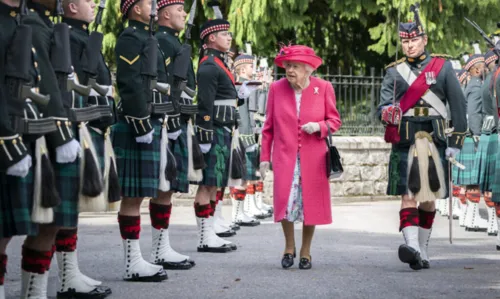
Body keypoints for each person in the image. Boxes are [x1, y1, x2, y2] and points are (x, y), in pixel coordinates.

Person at [378, 6, 467, 271]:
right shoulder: (394, 72)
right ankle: (413, 248)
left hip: (434, 140)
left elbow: (458, 107)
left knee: (429, 199)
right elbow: (382, 107)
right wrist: (387, 112)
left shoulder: (443, 68)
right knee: (408, 195)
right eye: (405, 41)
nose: (409, 46)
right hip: (405, 140)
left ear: (424, 40)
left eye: (414, 40)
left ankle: (423, 248)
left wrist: (455, 145)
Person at [260, 44, 341, 270]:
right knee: (285, 203)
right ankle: (289, 247)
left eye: (295, 66)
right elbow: (268, 128)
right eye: (287, 65)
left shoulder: (323, 88)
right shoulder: (277, 89)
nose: (289, 70)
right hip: (285, 157)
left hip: (314, 158)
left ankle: (305, 250)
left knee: (310, 205)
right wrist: (264, 157)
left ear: (308, 69)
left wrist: (319, 126)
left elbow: (335, 121)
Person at [113, 0, 169, 282]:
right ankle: (131, 262)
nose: (154, 6)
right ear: (134, 8)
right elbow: (130, 81)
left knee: (140, 194)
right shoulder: (130, 37)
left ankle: (136, 259)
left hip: (149, 120)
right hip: (137, 122)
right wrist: (140, 122)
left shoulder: (147, 37)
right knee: (132, 196)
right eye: (148, 2)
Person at [153, 0, 196, 270]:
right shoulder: (160, 41)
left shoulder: (175, 43)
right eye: (179, 10)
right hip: (166, 118)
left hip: (177, 116)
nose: (183, 14)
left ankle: (161, 246)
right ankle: (158, 249)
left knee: (167, 190)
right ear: (165, 14)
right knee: (161, 187)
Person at [463, 53, 489, 232]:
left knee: (472, 181)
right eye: (484, 67)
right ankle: (472, 219)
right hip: (474, 135)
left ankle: (470, 218)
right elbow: (473, 113)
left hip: (470, 135)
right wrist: (477, 134)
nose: (487, 69)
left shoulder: (472, 85)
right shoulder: (476, 87)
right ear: (478, 69)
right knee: (474, 180)